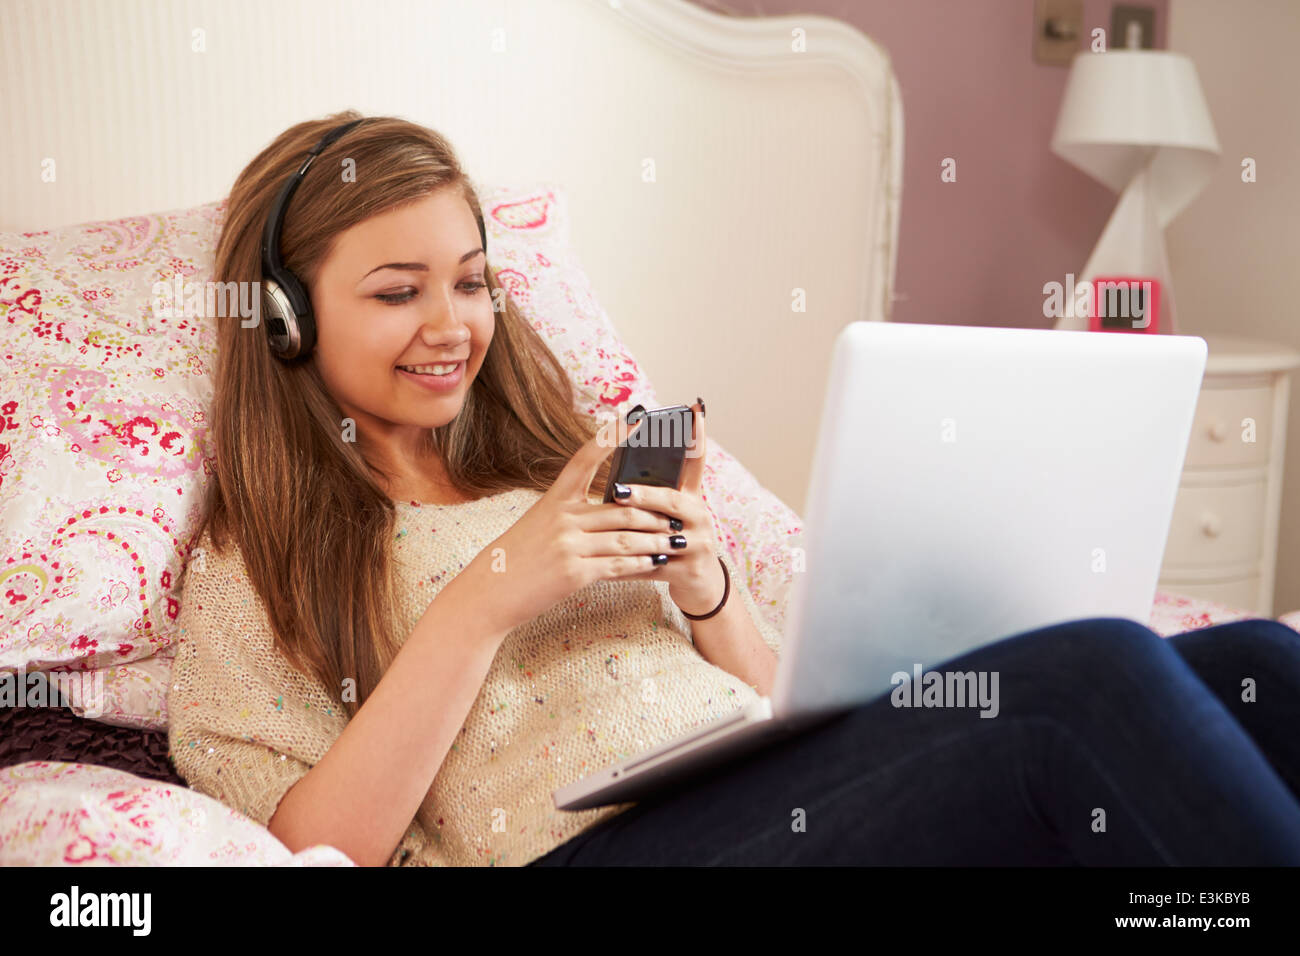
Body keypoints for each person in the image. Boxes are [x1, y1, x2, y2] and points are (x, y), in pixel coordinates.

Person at [166, 112, 1300, 867]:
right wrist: (486, 596)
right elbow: (317, 846)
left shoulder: (560, 464)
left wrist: (709, 591)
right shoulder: (255, 561)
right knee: (1083, 677)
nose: (450, 324)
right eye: (396, 291)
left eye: (470, 281)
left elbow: (776, 699)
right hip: (596, 851)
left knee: (1259, 663)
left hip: (767, 794)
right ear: (288, 319)